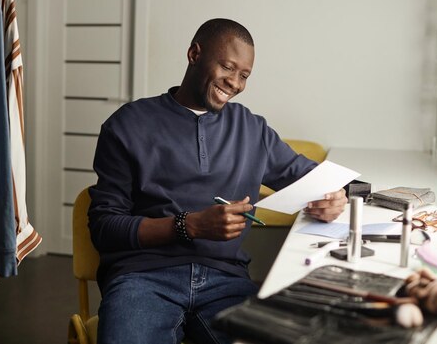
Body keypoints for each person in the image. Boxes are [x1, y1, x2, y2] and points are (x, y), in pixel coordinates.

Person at [88, 18, 347, 344]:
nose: (235, 83)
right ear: (194, 54)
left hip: (227, 281)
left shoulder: (252, 129)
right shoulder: (128, 124)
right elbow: (104, 228)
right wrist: (188, 226)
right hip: (142, 278)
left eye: (245, 75)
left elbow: (315, 178)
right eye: (228, 67)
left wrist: (336, 195)